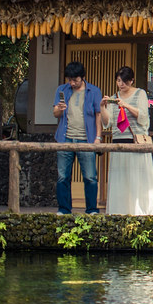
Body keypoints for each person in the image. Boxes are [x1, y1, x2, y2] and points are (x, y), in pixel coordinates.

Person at [101, 66, 153, 215]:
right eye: (119, 81)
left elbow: (143, 117)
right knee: (121, 179)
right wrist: (102, 107)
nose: (121, 84)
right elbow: (108, 123)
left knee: (137, 179)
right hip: (119, 141)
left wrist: (125, 105)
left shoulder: (140, 94)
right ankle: (119, 211)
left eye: (125, 81)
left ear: (131, 81)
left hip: (136, 141)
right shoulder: (115, 96)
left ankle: (139, 211)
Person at [52, 61, 102, 215]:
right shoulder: (62, 90)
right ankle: (64, 209)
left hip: (86, 138)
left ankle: (92, 209)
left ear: (83, 77)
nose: (72, 83)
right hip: (65, 137)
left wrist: (98, 137)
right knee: (63, 176)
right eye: (70, 80)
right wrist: (59, 110)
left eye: (75, 80)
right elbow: (55, 113)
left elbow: (98, 115)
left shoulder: (93, 91)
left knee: (90, 177)